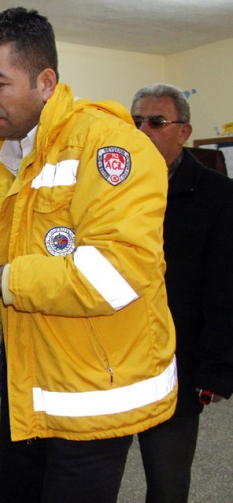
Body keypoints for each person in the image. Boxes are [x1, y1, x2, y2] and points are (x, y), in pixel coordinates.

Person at [0, 8, 178, 503]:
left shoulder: (112, 147)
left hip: (94, 399)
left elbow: (115, 276)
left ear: (45, 81)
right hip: (30, 390)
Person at [131, 83, 233, 503]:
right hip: (108, 361)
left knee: (168, 485)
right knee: (89, 478)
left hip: (176, 364)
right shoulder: (110, 188)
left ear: (184, 132)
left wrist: (215, 371)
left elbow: (224, 290)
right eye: (135, 121)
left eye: (156, 122)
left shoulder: (219, 196)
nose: (143, 130)